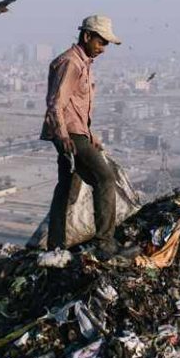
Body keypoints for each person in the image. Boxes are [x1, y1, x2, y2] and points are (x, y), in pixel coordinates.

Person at [41, 15, 136, 260]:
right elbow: (56, 104)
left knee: (67, 187)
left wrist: (90, 134)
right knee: (104, 179)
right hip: (69, 134)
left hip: (76, 133)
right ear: (86, 36)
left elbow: (77, 106)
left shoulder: (83, 63)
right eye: (100, 42)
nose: (103, 49)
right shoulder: (71, 63)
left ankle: (56, 245)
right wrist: (64, 137)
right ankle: (105, 243)